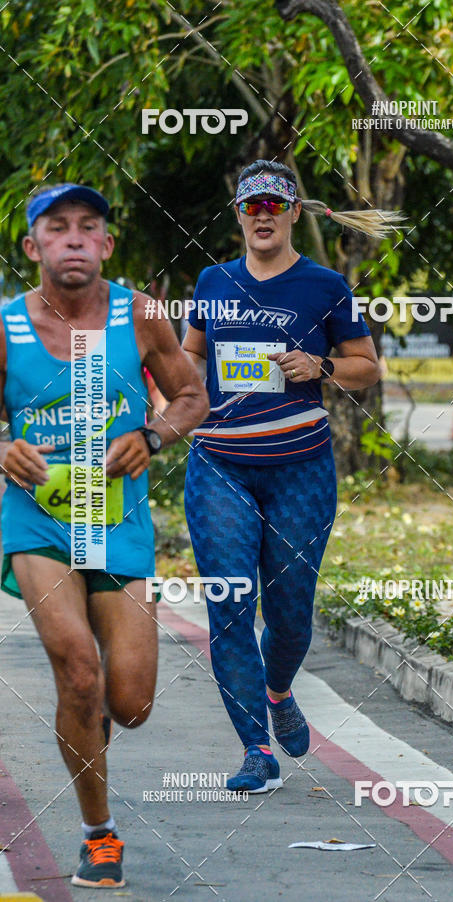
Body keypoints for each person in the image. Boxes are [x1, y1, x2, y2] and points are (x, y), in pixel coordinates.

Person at [0, 183, 208, 887]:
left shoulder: (141, 314)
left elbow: (192, 396)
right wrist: (4, 446)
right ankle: (100, 833)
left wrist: (151, 435)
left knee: (131, 702)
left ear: (107, 245)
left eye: (90, 227)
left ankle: (92, 723)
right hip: (37, 519)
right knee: (77, 671)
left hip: (114, 518)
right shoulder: (6, 326)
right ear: (33, 248)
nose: (76, 239)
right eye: (58, 229)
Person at [182, 159, 398, 793]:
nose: (263, 216)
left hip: (301, 467)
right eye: (252, 207)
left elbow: (368, 366)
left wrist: (320, 365)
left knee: (292, 611)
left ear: (295, 213)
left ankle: (279, 693)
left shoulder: (325, 285)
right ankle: (256, 749)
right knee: (228, 602)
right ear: (240, 216)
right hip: (219, 463)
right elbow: (192, 355)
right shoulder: (212, 281)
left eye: (275, 205)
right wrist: (175, 391)